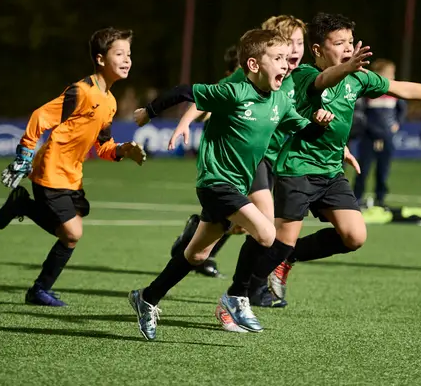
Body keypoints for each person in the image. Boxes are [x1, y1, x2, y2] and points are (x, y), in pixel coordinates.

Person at [128, 28, 335, 340]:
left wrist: (318, 124)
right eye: (277, 58)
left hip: (237, 185)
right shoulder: (235, 92)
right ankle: (237, 296)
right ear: (254, 65)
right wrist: (149, 113)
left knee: (195, 255)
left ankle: (147, 297)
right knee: (266, 232)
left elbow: (304, 132)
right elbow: (186, 91)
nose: (285, 63)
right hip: (215, 182)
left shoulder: (279, 99)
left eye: (285, 58)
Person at [266, 12, 421, 305]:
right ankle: (241, 293)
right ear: (317, 50)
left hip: (330, 171)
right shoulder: (304, 75)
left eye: (350, 42)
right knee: (278, 244)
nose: (347, 48)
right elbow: (324, 79)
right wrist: (348, 69)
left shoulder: (357, 78)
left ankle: (287, 259)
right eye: (339, 42)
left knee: (354, 236)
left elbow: (402, 88)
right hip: (297, 169)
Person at [0, 27, 147, 306]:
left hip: (72, 175)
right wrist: (24, 156)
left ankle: (24, 212)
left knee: (69, 235)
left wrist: (123, 150)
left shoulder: (110, 102)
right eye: (120, 54)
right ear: (100, 59)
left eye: (129, 54)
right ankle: (38, 287)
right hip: (51, 170)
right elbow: (40, 116)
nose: (127, 60)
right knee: (73, 233)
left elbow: (102, 146)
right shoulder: (82, 91)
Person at [352, 58, 407, 207]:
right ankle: (356, 198)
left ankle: (380, 199)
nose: (393, 78)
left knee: (383, 170)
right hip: (368, 137)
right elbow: (360, 114)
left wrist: (397, 124)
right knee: (362, 169)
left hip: (387, 137)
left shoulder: (395, 93)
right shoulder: (368, 93)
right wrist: (369, 129)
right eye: (390, 74)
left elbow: (402, 110)